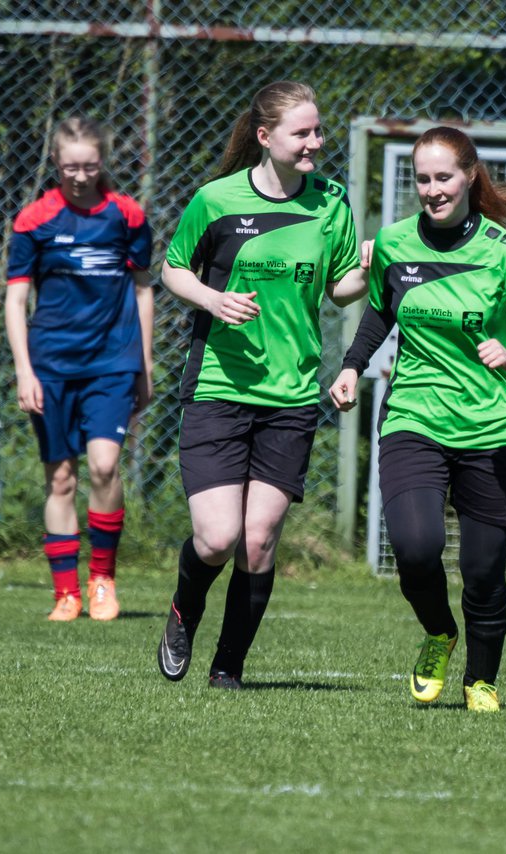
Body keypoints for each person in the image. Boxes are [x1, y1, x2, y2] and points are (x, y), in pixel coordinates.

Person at [330, 126, 506, 713]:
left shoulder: (505, 252)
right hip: (413, 416)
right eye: (423, 179)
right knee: (414, 548)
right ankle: (439, 632)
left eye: (444, 177)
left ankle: (480, 680)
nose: (432, 190)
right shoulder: (391, 243)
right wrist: (351, 367)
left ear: (468, 177)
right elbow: (380, 311)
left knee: (483, 569)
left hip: (491, 429)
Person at [156, 81, 368, 689]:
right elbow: (173, 268)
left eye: (318, 131)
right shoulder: (216, 200)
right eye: (302, 133)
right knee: (218, 537)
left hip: (292, 395)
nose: (314, 144)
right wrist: (214, 300)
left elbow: (339, 286)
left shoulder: (332, 204)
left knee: (257, 542)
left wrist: (372, 266)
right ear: (265, 136)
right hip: (220, 388)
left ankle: (229, 668)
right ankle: (183, 610)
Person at [4, 117, 154, 622]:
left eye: (90, 165)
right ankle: (65, 593)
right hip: (51, 364)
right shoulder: (34, 220)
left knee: (105, 466)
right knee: (61, 478)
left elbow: (143, 287)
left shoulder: (127, 215)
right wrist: (25, 370)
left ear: (103, 161)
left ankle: (103, 579)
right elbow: (16, 297)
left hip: (112, 361)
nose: (80, 176)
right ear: (56, 163)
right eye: (70, 166)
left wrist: (144, 363)